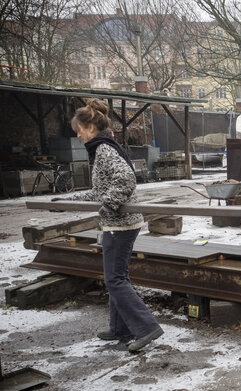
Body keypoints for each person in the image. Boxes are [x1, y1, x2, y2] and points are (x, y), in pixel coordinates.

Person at [57, 99, 163, 352]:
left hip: (120, 225)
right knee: (116, 277)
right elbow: (100, 192)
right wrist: (66, 201)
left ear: (90, 127)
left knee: (114, 279)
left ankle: (146, 327)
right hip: (118, 223)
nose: (78, 134)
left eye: (79, 130)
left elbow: (126, 179)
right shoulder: (104, 147)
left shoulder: (104, 149)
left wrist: (109, 205)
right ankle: (120, 328)